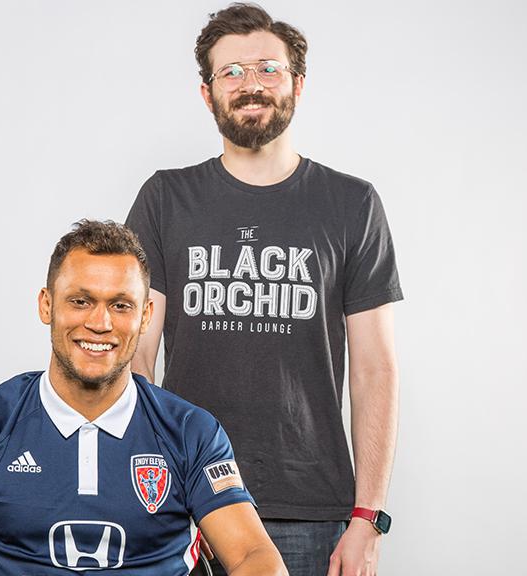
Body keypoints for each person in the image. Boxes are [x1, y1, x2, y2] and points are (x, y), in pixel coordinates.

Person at [125, 4, 403, 575]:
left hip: (310, 512)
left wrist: (367, 517)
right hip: (184, 502)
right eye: (230, 71)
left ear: (297, 83)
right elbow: (137, 354)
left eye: (268, 68)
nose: (250, 84)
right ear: (207, 94)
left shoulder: (351, 204)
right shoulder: (165, 199)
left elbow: (375, 369)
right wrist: (145, 480)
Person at [0, 220, 287, 576]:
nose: (100, 323)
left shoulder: (191, 431)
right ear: (46, 305)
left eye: (120, 305)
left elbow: (255, 556)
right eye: (81, 301)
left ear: (145, 316)